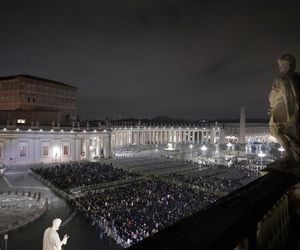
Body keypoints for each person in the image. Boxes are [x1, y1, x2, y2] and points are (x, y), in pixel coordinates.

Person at [269, 54, 300, 162]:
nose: (280, 68)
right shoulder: (297, 78)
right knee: (290, 133)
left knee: (276, 130)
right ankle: (295, 153)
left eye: (281, 65)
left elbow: (288, 96)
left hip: (283, 109)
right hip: (291, 110)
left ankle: (290, 154)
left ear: (287, 65)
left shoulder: (283, 79)